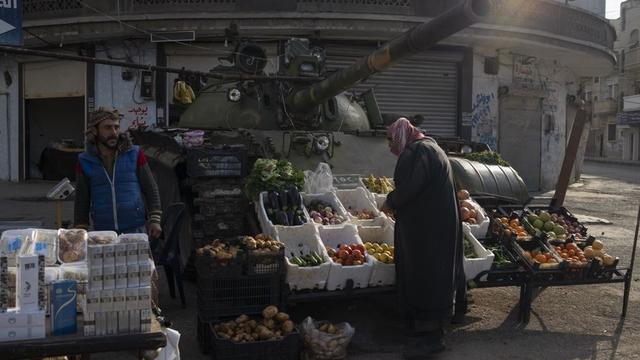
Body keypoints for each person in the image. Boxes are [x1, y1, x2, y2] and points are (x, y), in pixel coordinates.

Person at [381, 118, 465, 358]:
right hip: (435, 226)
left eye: (391, 140)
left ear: (402, 136)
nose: (389, 147)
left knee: (426, 277)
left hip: (427, 230)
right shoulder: (431, 147)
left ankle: (431, 339)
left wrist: (391, 201)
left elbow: (409, 188)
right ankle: (425, 329)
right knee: (432, 276)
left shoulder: (417, 152)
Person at [74, 107, 162, 237]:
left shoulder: (134, 154)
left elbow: (150, 187)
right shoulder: (85, 160)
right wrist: (81, 228)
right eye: (107, 128)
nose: (114, 132)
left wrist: (155, 219)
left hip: (135, 228)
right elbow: (82, 198)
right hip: (103, 231)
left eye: (116, 127)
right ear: (94, 130)